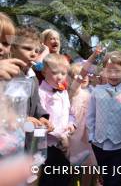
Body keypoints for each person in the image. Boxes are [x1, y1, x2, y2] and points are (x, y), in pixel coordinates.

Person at [87, 51, 121, 186]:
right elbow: (91, 116)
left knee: (116, 180)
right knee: (104, 179)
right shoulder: (97, 91)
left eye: (117, 71)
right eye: (110, 71)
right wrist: (91, 136)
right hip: (99, 143)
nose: (113, 75)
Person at [38, 54, 75, 186]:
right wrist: (60, 135)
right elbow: (42, 121)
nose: (59, 76)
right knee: (49, 179)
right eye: (54, 72)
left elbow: (70, 112)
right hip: (48, 145)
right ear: (43, 72)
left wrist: (71, 124)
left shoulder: (63, 91)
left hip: (64, 142)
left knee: (64, 177)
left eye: (63, 73)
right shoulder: (41, 92)